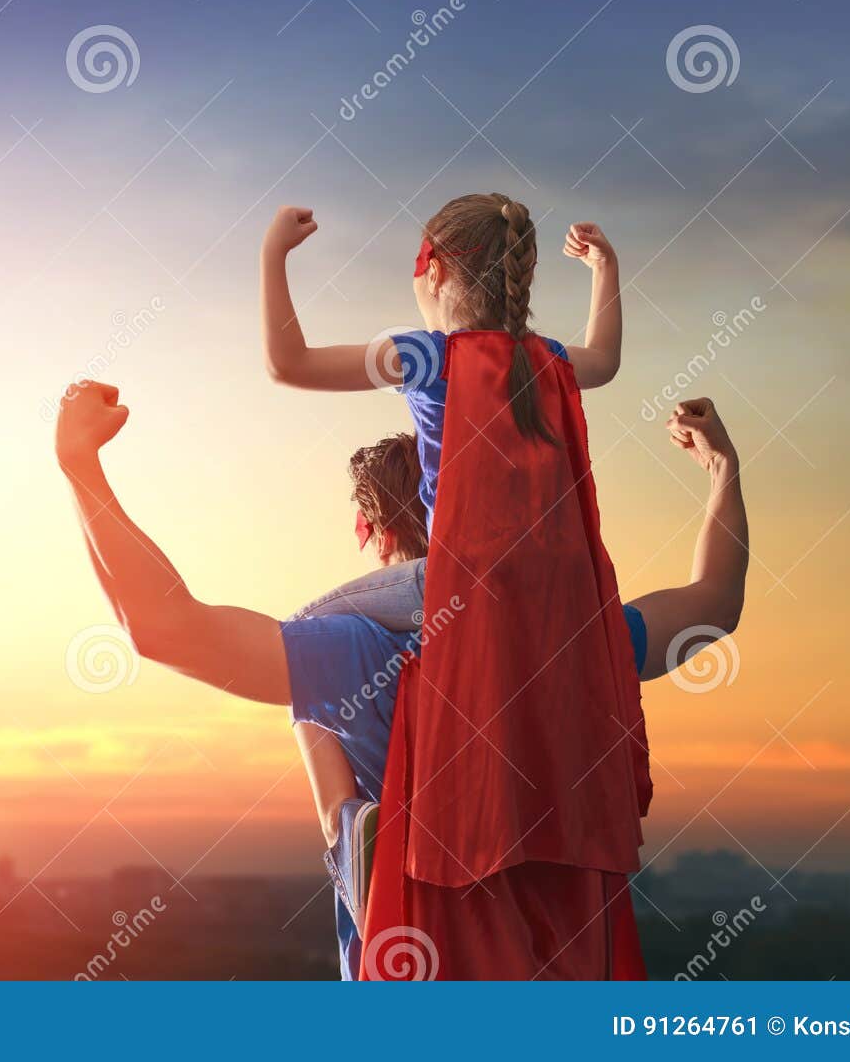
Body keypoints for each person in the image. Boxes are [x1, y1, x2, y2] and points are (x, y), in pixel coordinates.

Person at [55, 381, 748, 977]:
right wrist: (722, 470)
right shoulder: (568, 634)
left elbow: (164, 628)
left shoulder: (343, 648)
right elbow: (713, 604)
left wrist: (80, 464)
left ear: (367, 527)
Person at [264, 194, 643, 978]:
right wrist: (607, 269)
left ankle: (352, 837)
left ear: (430, 268)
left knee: (299, 637)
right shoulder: (550, 362)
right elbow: (605, 358)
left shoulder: (429, 356)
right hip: (561, 599)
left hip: (459, 582)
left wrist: (274, 255)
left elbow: (288, 366)